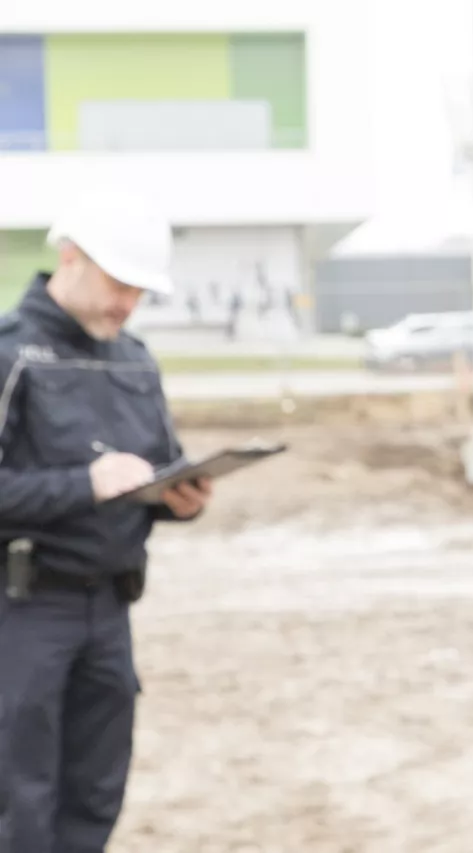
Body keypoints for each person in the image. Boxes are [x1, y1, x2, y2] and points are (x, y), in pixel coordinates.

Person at [0, 190, 213, 852]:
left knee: (96, 789)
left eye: (141, 291)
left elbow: (157, 467)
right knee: (21, 793)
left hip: (111, 605)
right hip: (25, 608)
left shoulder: (135, 358)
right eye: (121, 284)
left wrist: (181, 497)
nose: (129, 304)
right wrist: (82, 485)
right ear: (71, 258)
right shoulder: (12, 356)